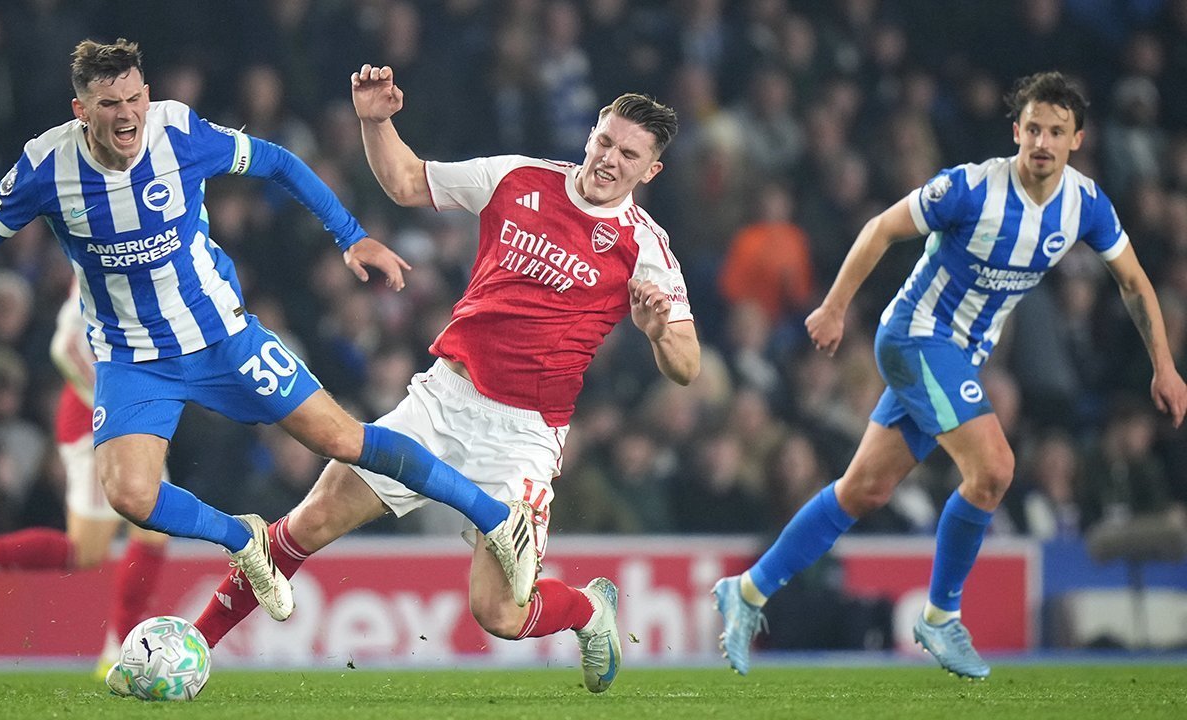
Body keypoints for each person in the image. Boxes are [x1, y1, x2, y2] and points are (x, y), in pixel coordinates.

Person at [0, 38, 538, 662]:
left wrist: (351, 236)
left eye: (134, 98)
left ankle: (495, 518)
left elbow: (279, 162)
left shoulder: (178, 133)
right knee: (131, 495)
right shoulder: (47, 166)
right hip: (134, 358)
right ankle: (244, 537)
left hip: (224, 340)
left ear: (147, 95)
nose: (127, 115)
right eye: (109, 104)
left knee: (344, 439)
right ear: (81, 111)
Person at [186, 65, 699, 695]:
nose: (609, 160)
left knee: (500, 614)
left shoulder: (647, 247)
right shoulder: (518, 178)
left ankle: (590, 611)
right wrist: (377, 121)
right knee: (308, 521)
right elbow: (406, 182)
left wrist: (655, 329)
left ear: (651, 171)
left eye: (629, 154)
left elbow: (687, 367)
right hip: (443, 401)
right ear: (590, 134)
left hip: (524, 437)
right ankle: (195, 645)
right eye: (604, 142)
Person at [712, 71, 1187, 680]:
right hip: (915, 337)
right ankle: (941, 616)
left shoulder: (1085, 205)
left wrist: (1165, 367)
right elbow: (882, 227)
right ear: (1016, 132)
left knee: (864, 490)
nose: (1042, 141)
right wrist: (834, 306)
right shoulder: (969, 189)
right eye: (1033, 129)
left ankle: (747, 592)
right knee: (994, 469)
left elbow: (1133, 280)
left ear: (1077, 140)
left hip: (961, 354)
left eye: (1057, 132)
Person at [0, 287, 169, 679]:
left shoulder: (145, 247)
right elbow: (67, 346)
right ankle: (118, 654)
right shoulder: (105, 250)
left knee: (148, 533)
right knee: (92, 549)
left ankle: (118, 653)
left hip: (120, 418)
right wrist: (113, 408)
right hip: (98, 424)